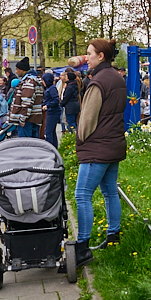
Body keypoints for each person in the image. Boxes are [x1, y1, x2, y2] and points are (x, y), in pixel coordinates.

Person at [73, 39, 126, 266]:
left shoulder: (97, 83)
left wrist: (80, 139)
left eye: (89, 54)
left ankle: (83, 247)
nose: (87, 58)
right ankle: (113, 236)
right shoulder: (116, 78)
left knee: (82, 194)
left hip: (97, 146)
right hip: (113, 142)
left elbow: (87, 119)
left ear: (101, 56)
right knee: (109, 191)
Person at [7, 57, 45, 139]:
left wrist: (22, 119)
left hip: (28, 120)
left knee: (26, 144)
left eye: (17, 69)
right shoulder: (34, 81)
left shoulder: (28, 83)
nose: (16, 72)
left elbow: (26, 102)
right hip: (34, 118)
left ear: (23, 70)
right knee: (34, 143)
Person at [42, 71, 61, 147]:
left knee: (48, 131)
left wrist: (47, 106)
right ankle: (54, 146)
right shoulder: (50, 88)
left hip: (53, 112)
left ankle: (49, 147)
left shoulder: (52, 88)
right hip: (52, 111)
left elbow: (56, 100)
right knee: (52, 131)